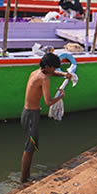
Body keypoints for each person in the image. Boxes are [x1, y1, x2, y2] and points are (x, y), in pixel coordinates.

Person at [20, 52, 72, 182]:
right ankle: (23, 179)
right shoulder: (44, 79)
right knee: (29, 148)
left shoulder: (36, 72)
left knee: (31, 147)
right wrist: (61, 97)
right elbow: (48, 102)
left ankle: (26, 177)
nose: (54, 70)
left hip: (28, 114)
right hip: (31, 116)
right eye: (54, 67)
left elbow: (52, 73)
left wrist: (64, 74)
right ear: (48, 66)